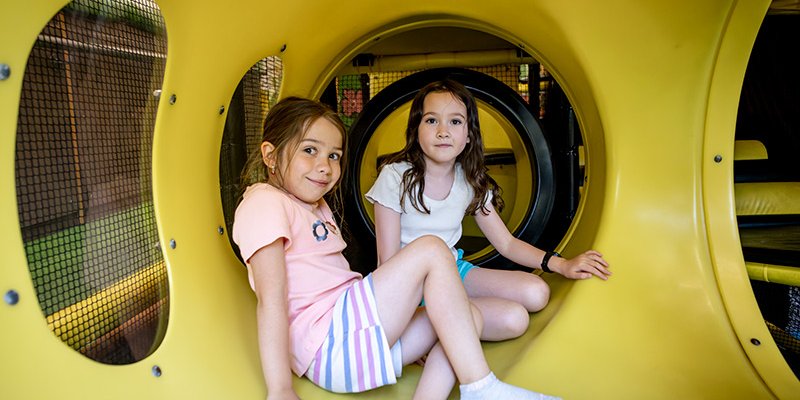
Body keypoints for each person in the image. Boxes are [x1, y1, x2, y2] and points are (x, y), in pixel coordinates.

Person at [232, 96, 559, 399]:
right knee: (432, 248)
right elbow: (272, 300)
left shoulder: (313, 206)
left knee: (466, 317)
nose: (325, 165)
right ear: (270, 155)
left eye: (334, 156)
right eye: (310, 150)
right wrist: (280, 389)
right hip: (328, 341)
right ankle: (482, 387)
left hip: (355, 336)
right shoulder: (264, 203)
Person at [366, 79, 611, 342]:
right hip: (410, 286)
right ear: (415, 130)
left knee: (537, 293)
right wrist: (405, 323)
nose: (443, 131)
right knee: (514, 320)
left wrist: (561, 264)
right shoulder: (395, 177)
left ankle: (446, 321)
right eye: (431, 120)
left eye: (455, 122)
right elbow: (387, 263)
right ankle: (429, 327)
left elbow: (506, 243)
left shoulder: (469, 180)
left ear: (469, 135)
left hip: (452, 272)